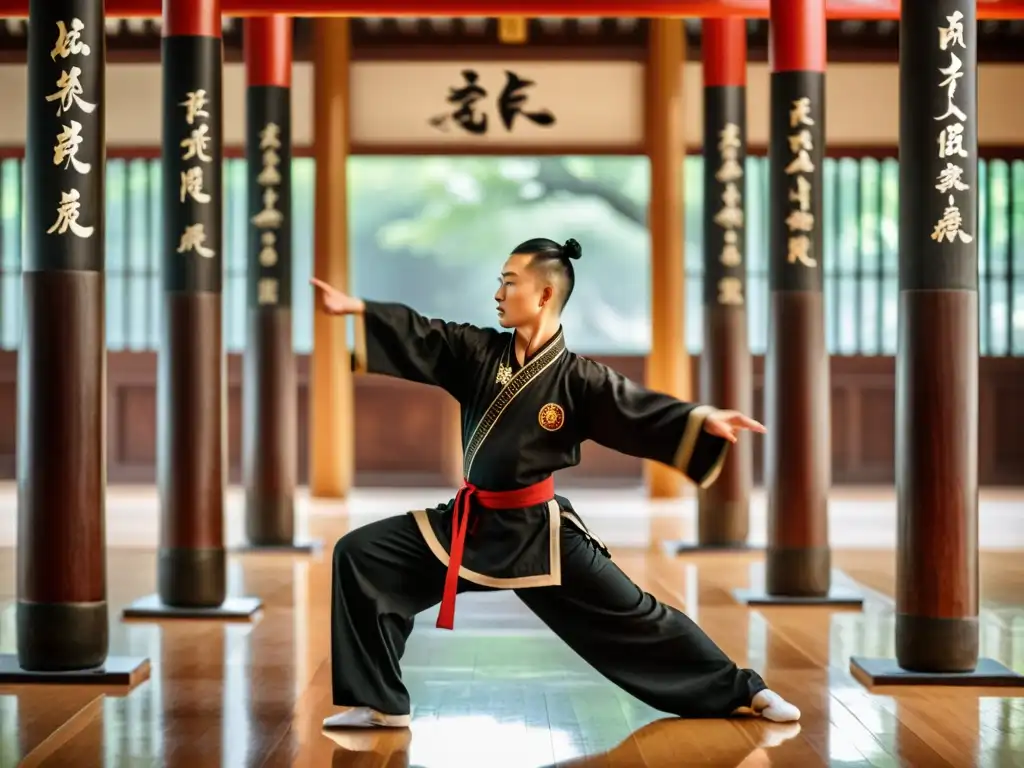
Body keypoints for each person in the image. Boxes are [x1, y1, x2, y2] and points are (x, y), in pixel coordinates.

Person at [312, 237, 801, 730]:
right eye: (499, 283)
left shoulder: (579, 379)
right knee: (360, 555)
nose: (498, 294)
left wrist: (699, 419)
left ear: (545, 295)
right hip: (470, 524)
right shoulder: (477, 352)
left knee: (635, 616)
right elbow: (425, 334)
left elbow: (636, 408)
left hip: (538, 535)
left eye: (509, 282)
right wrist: (359, 309)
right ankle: (381, 702)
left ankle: (747, 690)